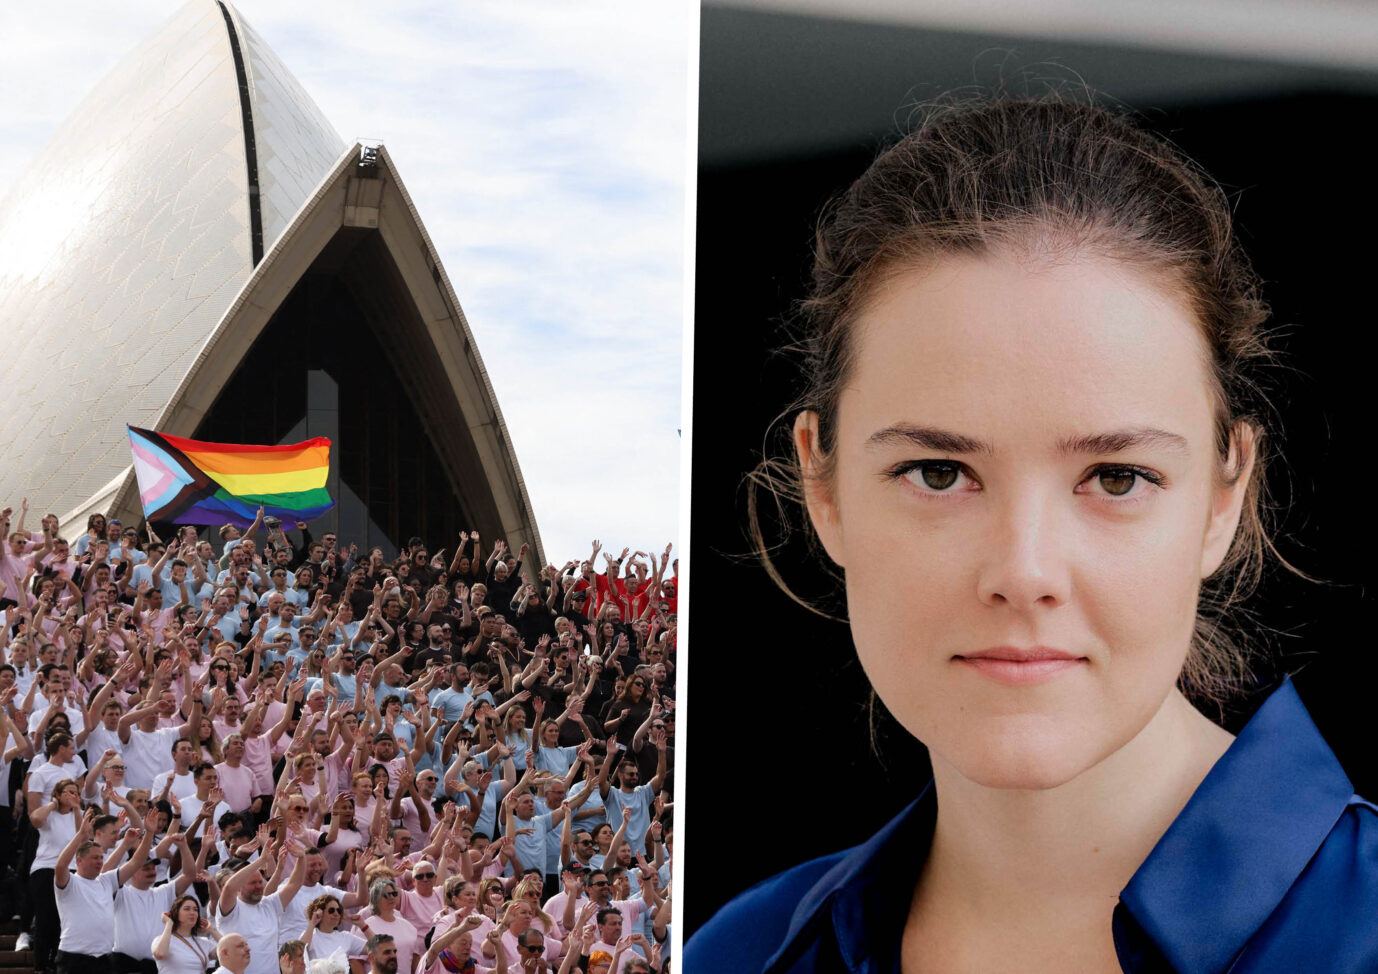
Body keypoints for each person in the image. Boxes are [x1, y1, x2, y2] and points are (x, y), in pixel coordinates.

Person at [685, 94, 1378, 972]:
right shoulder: (739, 955)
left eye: (1117, 478)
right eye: (939, 473)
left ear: (1223, 496)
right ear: (823, 488)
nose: (1024, 569)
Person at [150, 894, 222, 974]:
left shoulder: (203, 942)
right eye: (187, 909)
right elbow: (160, 954)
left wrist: (212, 930)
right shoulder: (160, 940)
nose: (192, 912)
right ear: (176, 913)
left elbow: (228, 951)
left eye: (195, 909)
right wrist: (169, 924)